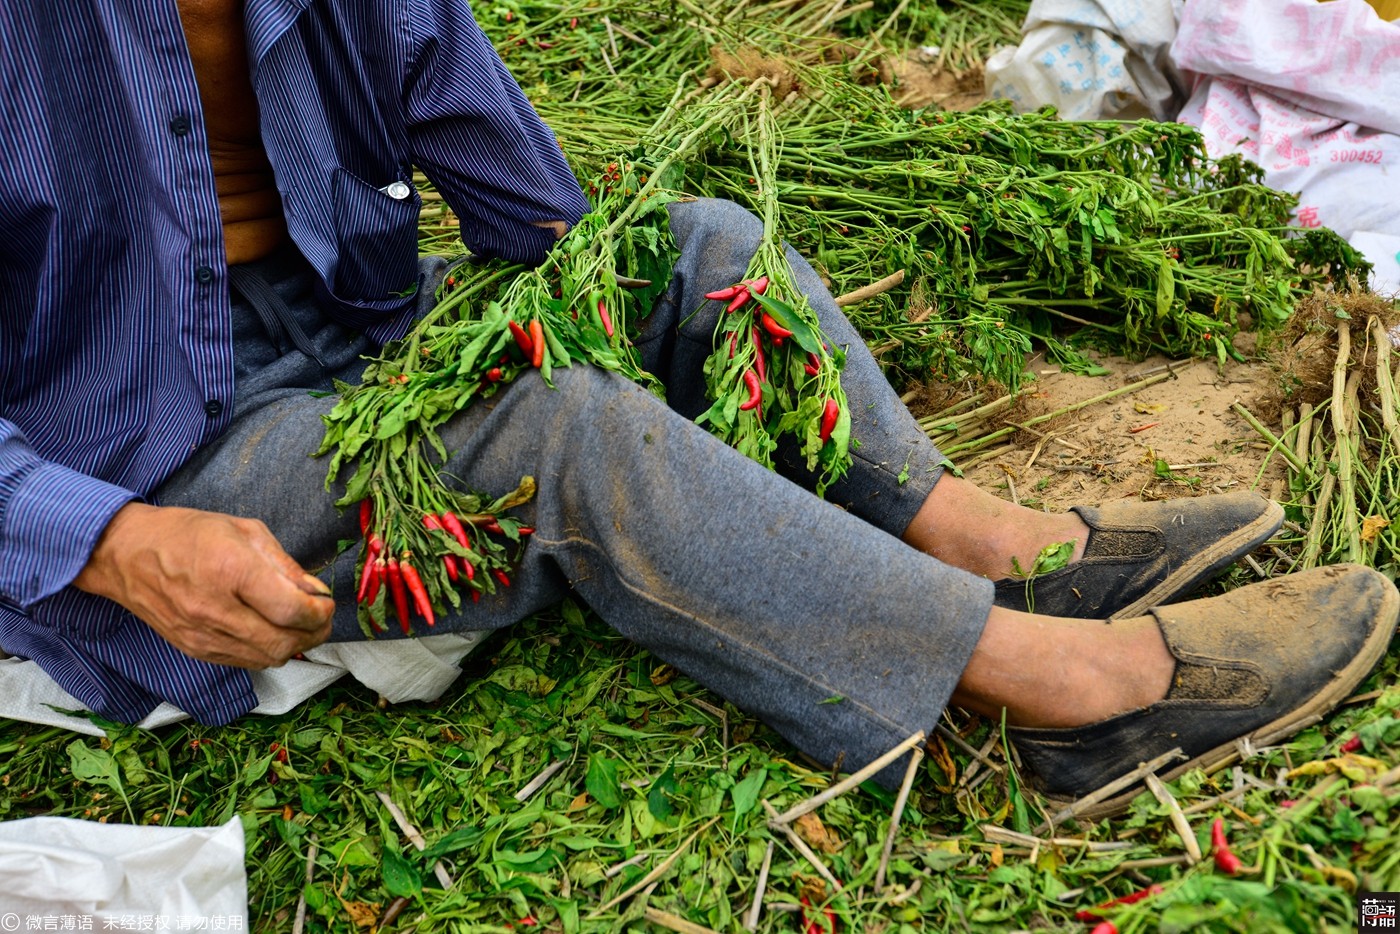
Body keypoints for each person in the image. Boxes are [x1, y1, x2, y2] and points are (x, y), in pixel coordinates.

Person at [1, 0, 1394, 813]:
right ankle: (1064, 695)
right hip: (149, 445)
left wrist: (635, 284)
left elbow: (514, 186)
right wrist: (120, 545)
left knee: (706, 245)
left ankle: (990, 545)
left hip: (348, 322)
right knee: (563, 435)